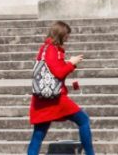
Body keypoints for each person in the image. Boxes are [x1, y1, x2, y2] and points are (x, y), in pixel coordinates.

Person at [26, 21, 94, 155]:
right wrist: (72, 64)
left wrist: (67, 62)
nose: (67, 38)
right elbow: (59, 73)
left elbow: (53, 68)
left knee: (38, 135)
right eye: (67, 35)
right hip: (55, 99)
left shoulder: (45, 48)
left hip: (42, 99)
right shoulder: (52, 49)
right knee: (83, 120)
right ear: (61, 35)